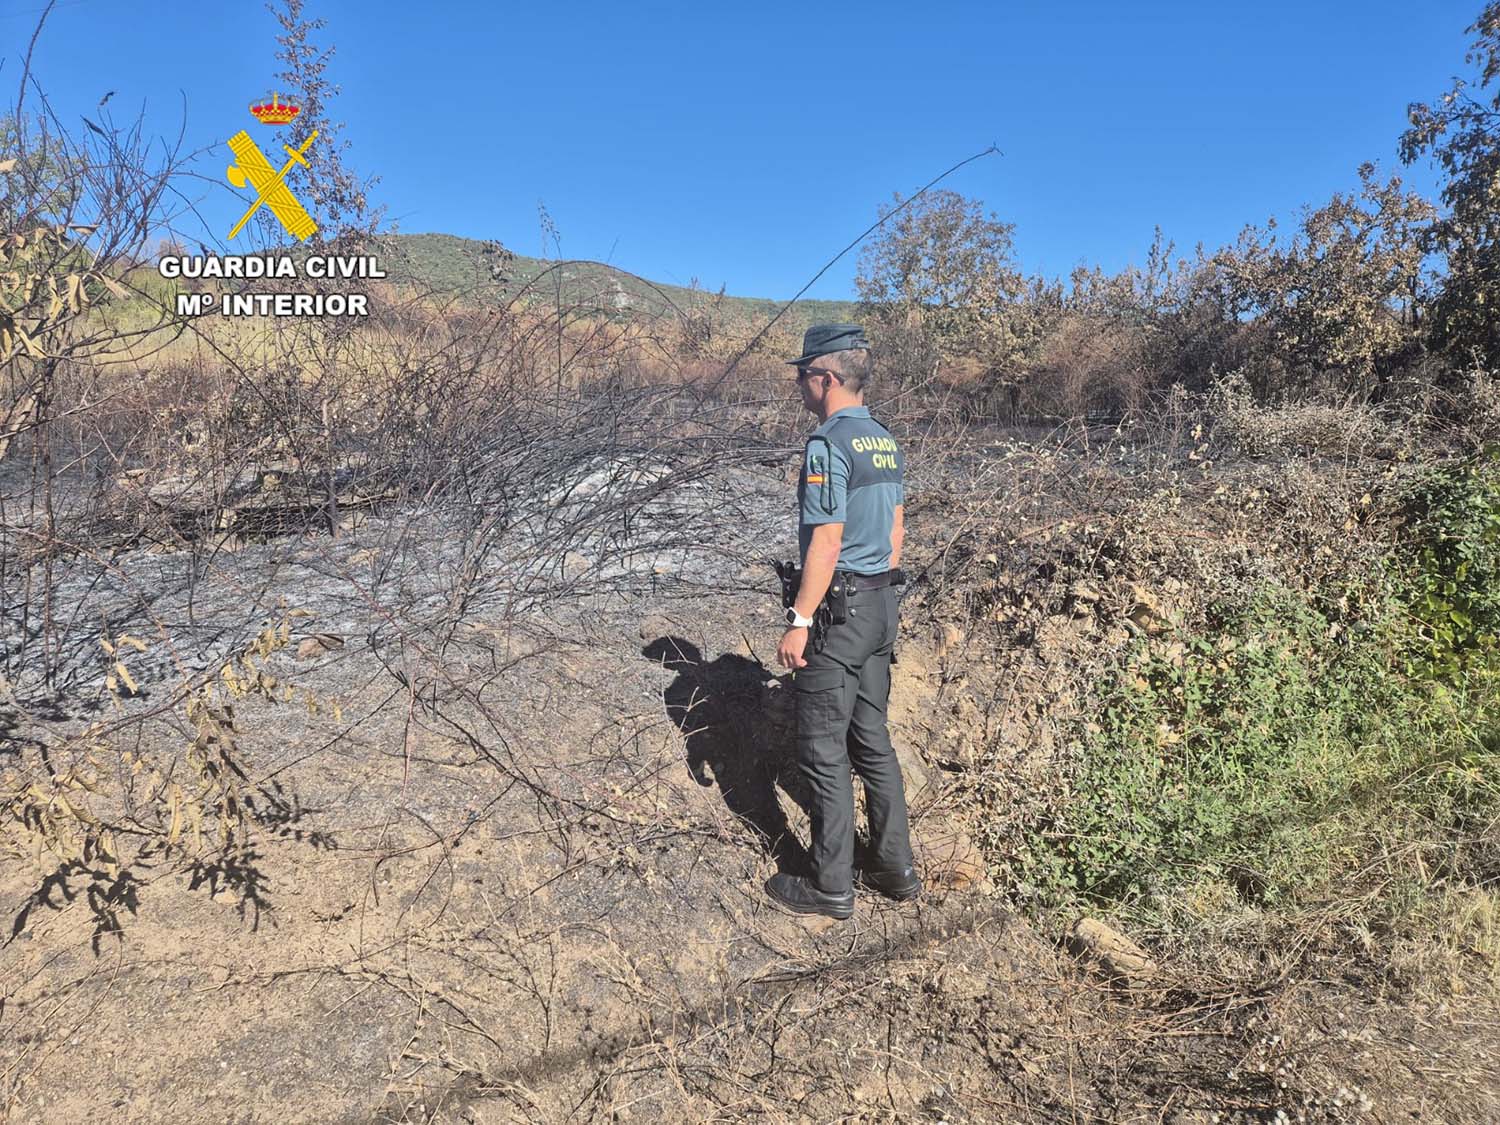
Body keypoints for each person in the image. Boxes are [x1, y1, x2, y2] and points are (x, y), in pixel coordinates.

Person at [765, 323, 922, 920]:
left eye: (803, 376)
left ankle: (831, 884)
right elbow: (896, 529)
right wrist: (875, 590)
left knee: (822, 750)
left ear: (825, 378)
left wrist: (802, 617)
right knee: (872, 741)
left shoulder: (827, 444)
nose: (800, 386)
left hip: (841, 612)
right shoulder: (884, 440)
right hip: (882, 605)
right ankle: (894, 867)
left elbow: (826, 540)